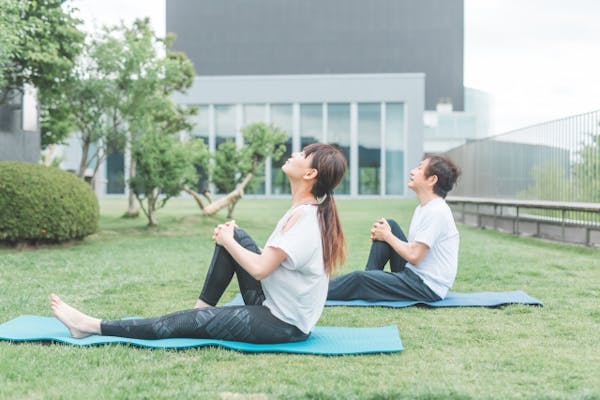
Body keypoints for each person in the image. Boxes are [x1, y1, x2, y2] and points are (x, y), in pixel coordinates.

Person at [51, 143, 347, 344]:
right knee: (237, 236)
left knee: (174, 320)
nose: (294, 153)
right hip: (271, 303)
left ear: (309, 174)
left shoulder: (306, 220)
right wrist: (232, 240)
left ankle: (88, 325)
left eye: (303, 153)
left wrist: (228, 242)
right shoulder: (302, 211)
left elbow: (259, 269)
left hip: (282, 324)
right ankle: (199, 311)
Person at [328, 155, 461, 302]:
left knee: (359, 278)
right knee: (389, 225)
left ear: (432, 180)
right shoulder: (424, 208)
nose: (412, 172)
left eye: (419, 168)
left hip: (426, 286)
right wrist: (387, 233)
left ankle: (315, 292)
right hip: (414, 274)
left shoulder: (436, 211)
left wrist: (387, 236)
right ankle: (371, 280)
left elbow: (415, 256)